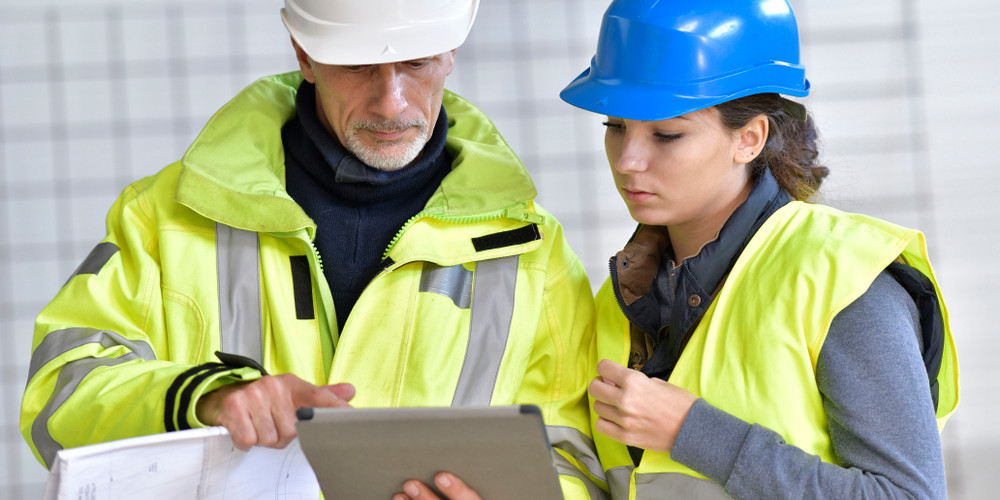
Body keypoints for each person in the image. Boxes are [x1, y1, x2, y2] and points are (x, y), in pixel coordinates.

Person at [20, 1, 605, 497]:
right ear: (304, 54)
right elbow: (59, 400)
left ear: (451, 52)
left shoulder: (532, 252)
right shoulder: (165, 216)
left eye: (418, 63)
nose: (392, 103)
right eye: (358, 66)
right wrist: (204, 400)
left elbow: (577, 461)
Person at [554, 0, 960, 499]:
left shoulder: (841, 279)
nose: (629, 160)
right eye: (615, 127)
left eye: (666, 134)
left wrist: (693, 432)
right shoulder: (617, 301)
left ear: (749, 138)